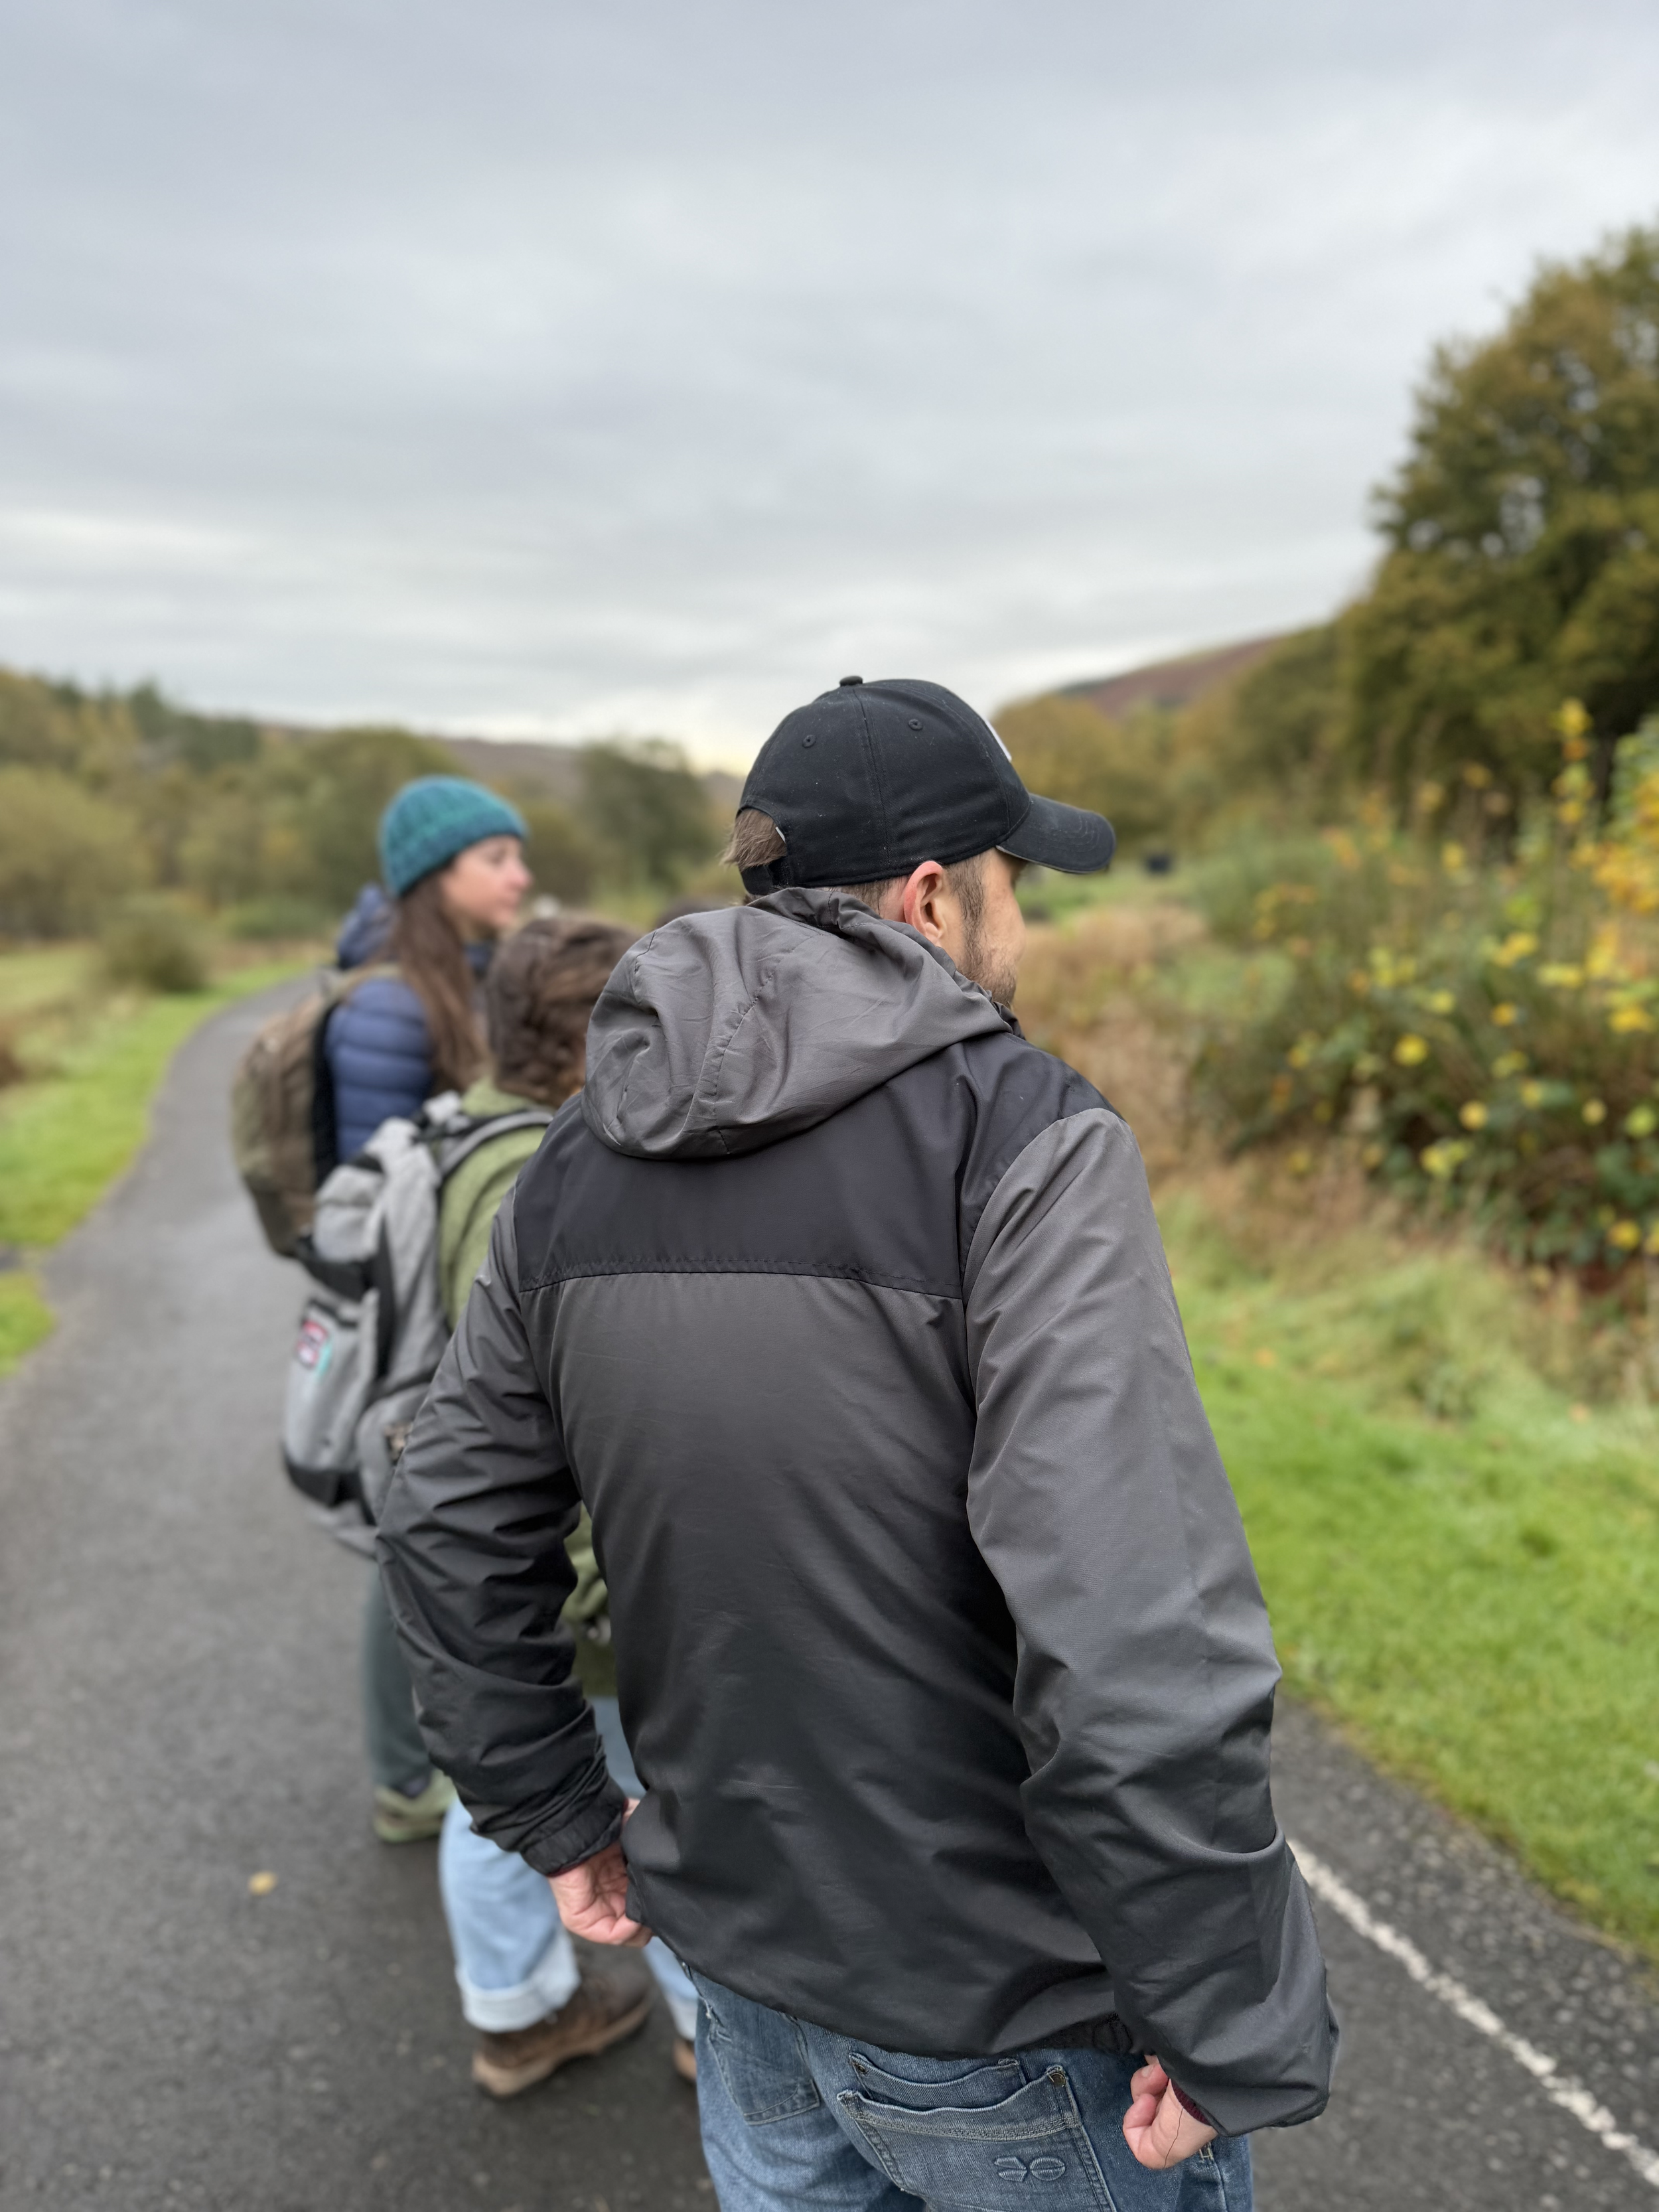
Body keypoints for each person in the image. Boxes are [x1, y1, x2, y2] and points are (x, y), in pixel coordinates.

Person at [379, 678, 1338, 2211]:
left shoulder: (577, 1153)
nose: (1018, 925)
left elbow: (442, 1505)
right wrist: (1227, 2011)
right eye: (1012, 882)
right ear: (929, 894)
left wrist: (552, 1808)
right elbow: (1130, 1632)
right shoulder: (1019, 1136)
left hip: (747, 1975)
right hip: (1018, 2017)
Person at [424, 915, 703, 2095]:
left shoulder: (475, 1139)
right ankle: (708, 2022)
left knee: (505, 1790)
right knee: (651, 1794)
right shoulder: (543, 1170)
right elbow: (555, 1412)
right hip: (578, 1578)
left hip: (527, 1570)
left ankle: (518, 2009)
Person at [331, 774, 530, 1844]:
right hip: (410, 1316)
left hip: (457, 1301)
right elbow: (379, 1191)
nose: (520, 874)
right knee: (409, 1532)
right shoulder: (387, 1007)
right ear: (434, 876)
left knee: (438, 1522)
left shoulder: (473, 976)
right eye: (496, 858)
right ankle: (408, 1781)